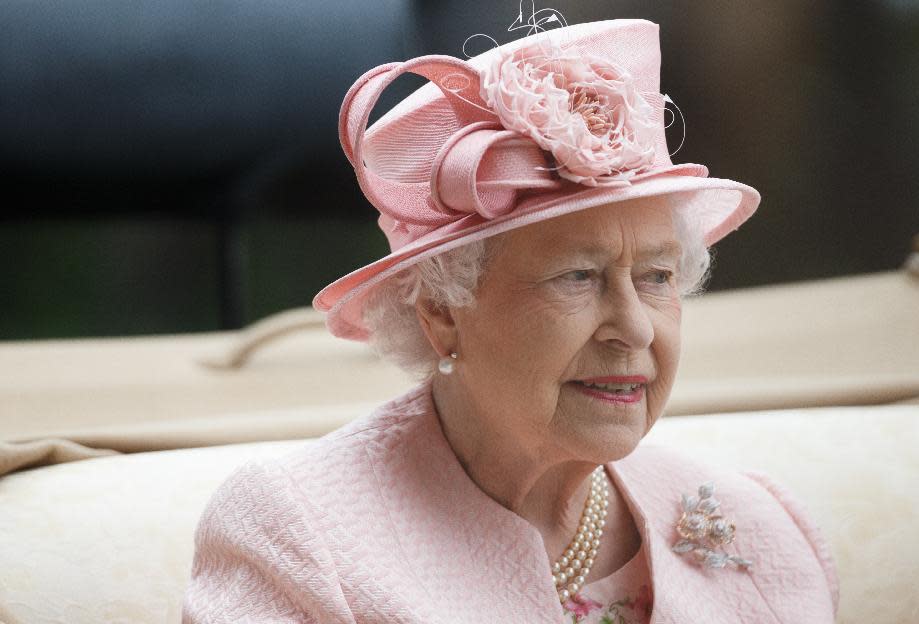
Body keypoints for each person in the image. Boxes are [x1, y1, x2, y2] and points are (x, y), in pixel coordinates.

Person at [183, 19, 839, 623]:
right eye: (577, 276)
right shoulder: (296, 534)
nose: (634, 329)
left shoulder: (763, 524)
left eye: (656, 277)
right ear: (441, 312)